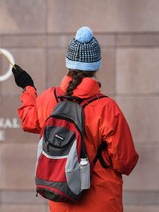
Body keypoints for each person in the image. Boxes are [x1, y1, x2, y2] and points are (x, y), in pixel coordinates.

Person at [12, 26, 139, 212]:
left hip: (61, 200)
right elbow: (125, 161)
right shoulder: (106, 108)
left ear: (69, 63)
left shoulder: (49, 98)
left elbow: (29, 120)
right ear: (96, 66)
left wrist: (28, 88)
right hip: (102, 202)